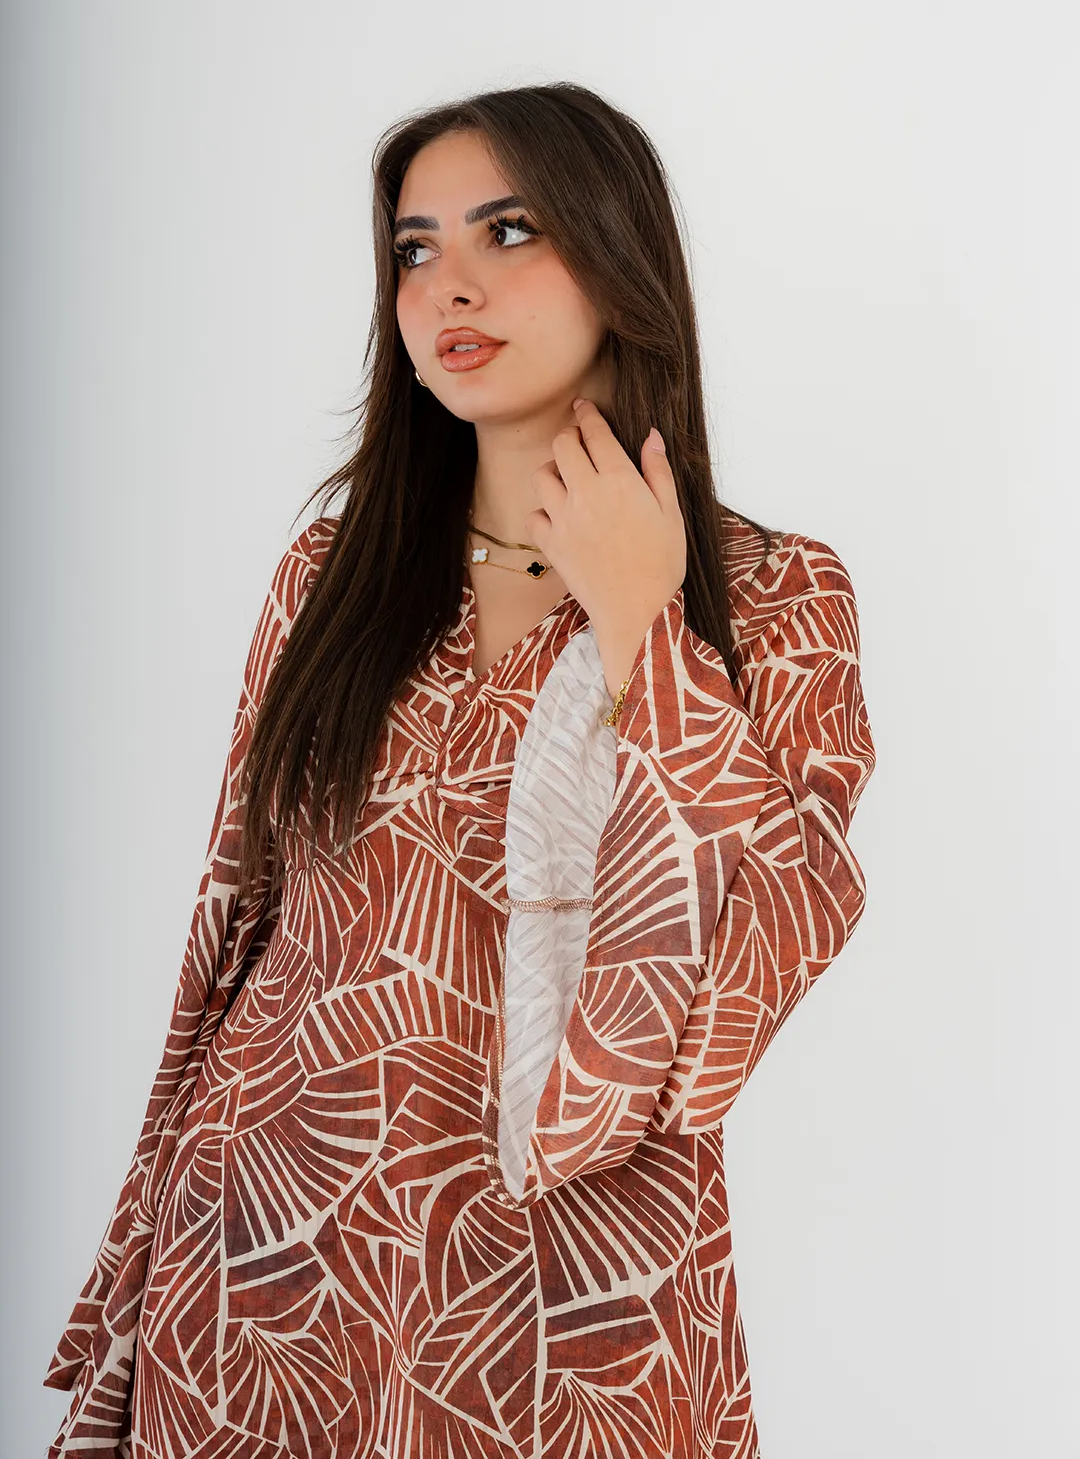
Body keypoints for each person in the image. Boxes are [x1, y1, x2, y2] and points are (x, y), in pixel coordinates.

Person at [44, 81, 876, 1459]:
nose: (450, 287)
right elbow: (235, 930)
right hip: (263, 1267)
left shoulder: (779, 596)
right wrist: (144, 1246)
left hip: (569, 1300)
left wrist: (641, 625)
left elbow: (772, 941)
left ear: (621, 257)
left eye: (510, 230)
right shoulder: (331, 574)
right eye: (414, 249)